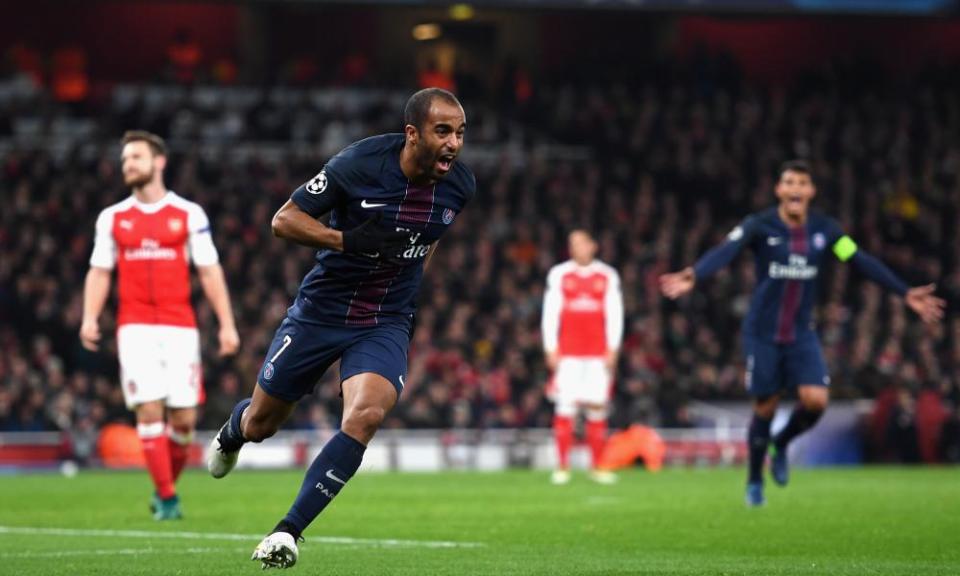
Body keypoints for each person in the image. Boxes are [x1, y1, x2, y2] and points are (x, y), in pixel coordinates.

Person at [206, 88, 475, 569]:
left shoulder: (459, 186)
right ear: (412, 133)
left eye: (460, 133)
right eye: (442, 131)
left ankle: (287, 532)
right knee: (263, 424)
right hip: (321, 311)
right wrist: (346, 240)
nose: (454, 143)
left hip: (385, 319)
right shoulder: (361, 163)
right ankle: (234, 430)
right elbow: (283, 221)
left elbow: (427, 242)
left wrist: (406, 289)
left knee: (366, 415)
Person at [659, 160, 945, 506]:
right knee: (765, 405)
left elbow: (859, 259)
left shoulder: (825, 232)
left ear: (810, 191)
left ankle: (780, 442)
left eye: (802, 183)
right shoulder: (760, 226)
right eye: (789, 182)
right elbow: (727, 250)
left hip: (800, 333)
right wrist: (695, 273)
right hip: (762, 333)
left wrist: (903, 291)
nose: (795, 188)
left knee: (816, 401)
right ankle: (754, 480)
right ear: (779, 190)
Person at [81, 130, 240, 520]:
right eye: (124, 160)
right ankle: (167, 498)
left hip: (180, 328)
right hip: (134, 328)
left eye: (135, 157)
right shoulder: (113, 218)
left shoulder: (188, 214)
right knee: (149, 412)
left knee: (184, 420)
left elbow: (209, 271)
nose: (128, 165)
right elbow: (100, 272)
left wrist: (227, 324)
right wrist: (89, 316)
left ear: (159, 162)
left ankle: (164, 487)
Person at [542, 230, 623, 485]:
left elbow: (614, 313)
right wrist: (550, 347)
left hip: (598, 354)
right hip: (568, 354)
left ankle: (597, 467)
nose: (576, 248)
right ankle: (563, 467)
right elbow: (551, 313)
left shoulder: (607, 275)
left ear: (593, 246)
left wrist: (613, 348)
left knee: (597, 408)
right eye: (572, 244)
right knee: (565, 406)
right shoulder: (559, 274)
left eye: (580, 243)